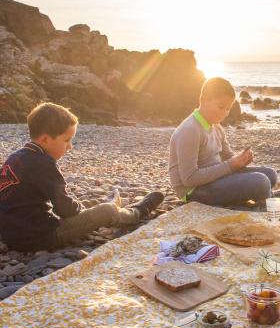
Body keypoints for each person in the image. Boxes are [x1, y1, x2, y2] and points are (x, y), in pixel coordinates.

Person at [0, 102, 164, 252]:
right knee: (105, 211)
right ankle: (137, 211)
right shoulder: (43, 163)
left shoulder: (16, 157)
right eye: (67, 140)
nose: (70, 147)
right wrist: (86, 214)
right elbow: (65, 210)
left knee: (83, 204)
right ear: (45, 139)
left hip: (11, 233)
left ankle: (108, 203)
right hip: (41, 236)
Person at [169, 77, 278, 207]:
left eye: (228, 109)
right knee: (261, 182)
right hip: (194, 191)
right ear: (203, 100)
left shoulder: (216, 126)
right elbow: (189, 179)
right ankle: (265, 204)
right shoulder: (190, 130)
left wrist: (241, 160)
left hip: (215, 179)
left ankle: (260, 199)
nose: (224, 113)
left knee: (270, 174)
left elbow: (228, 157)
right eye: (221, 107)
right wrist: (231, 165)